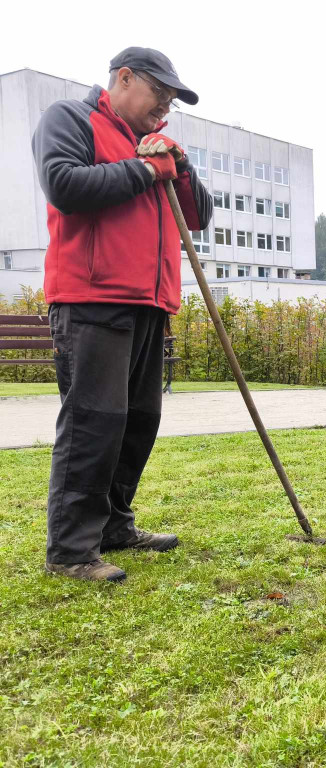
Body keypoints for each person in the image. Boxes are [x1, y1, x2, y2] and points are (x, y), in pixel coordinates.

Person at [32, 47, 213, 582]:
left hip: (149, 303)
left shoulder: (154, 144)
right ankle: (69, 550)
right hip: (92, 299)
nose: (165, 108)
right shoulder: (70, 119)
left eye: (172, 102)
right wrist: (143, 168)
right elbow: (65, 186)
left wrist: (177, 165)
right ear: (124, 78)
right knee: (95, 422)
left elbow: (199, 215)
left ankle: (113, 525)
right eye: (161, 94)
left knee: (138, 420)